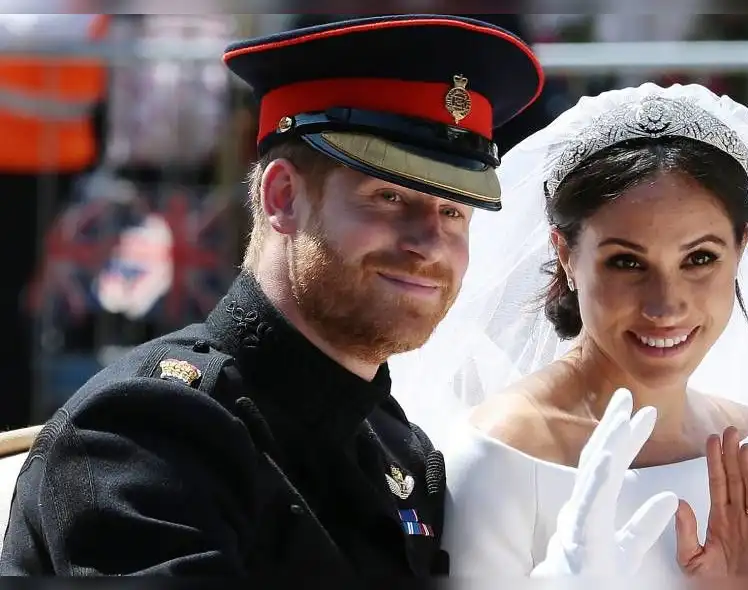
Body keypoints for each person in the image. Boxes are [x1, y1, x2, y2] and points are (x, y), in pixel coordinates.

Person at [0, 15, 544, 576]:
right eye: (389, 197)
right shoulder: (151, 434)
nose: (430, 243)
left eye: (454, 211)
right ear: (283, 196)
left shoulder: (396, 446)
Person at [389, 83, 748, 577]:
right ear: (566, 256)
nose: (665, 304)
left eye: (700, 258)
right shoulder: (499, 457)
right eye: (626, 262)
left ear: (741, 248)